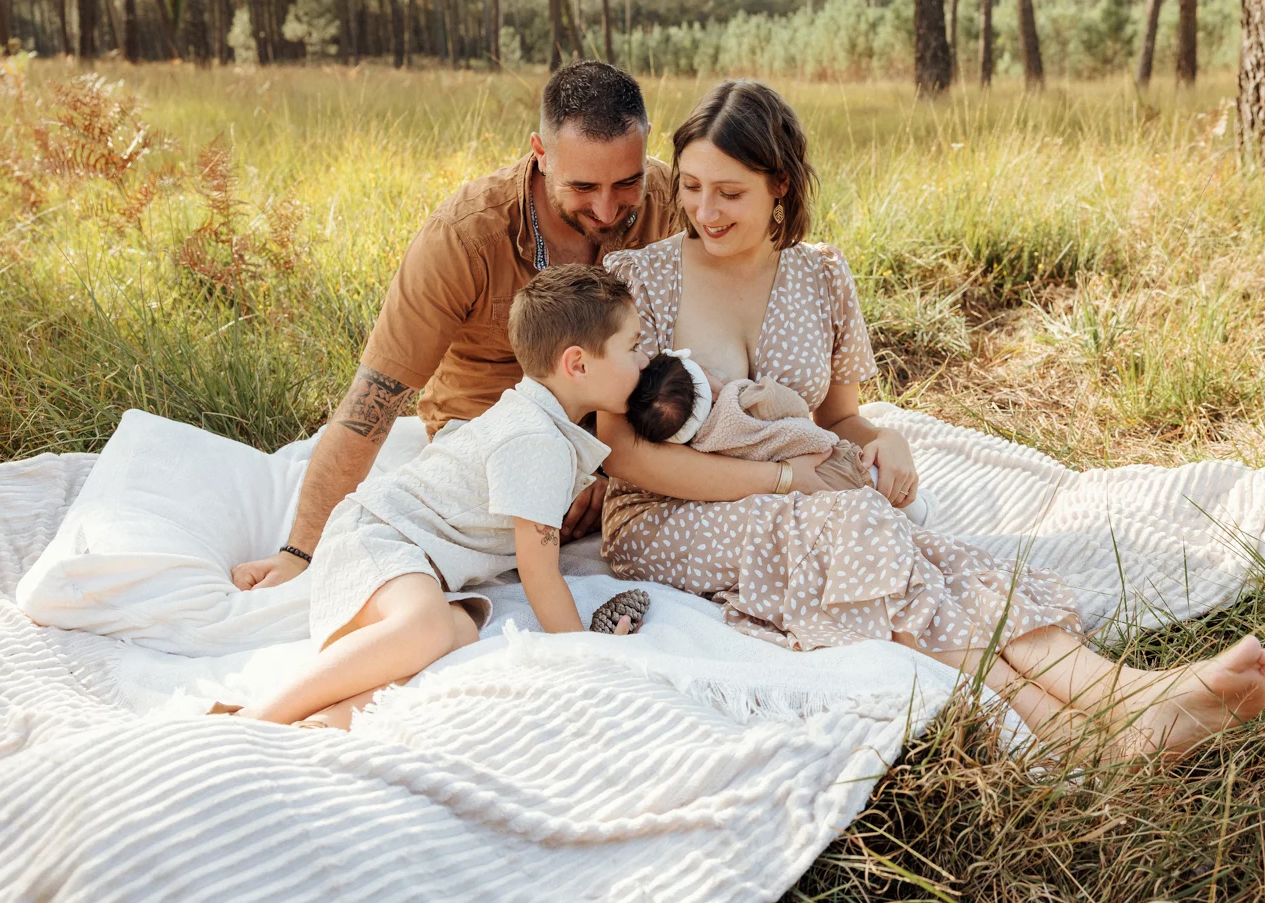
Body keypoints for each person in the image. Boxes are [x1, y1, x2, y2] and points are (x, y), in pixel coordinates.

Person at [598, 80, 1265, 761]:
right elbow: (623, 453)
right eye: (690, 186)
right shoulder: (642, 280)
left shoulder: (821, 277)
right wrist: (784, 480)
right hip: (669, 515)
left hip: (805, 501)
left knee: (943, 563)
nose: (704, 210)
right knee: (865, 533)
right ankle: (1102, 730)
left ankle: (1124, 701)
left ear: (780, 183)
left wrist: (884, 438)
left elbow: (840, 416)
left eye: (729, 192)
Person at [230, 61, 676, 593]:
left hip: (618, 440)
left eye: (627, 182)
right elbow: (372, 401)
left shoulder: (672, 197)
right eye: (582, 187)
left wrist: (609, 472)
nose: (606, 210)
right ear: (540, 153)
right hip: (490, 444)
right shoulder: (463, 237)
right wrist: (298, 551)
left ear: (647, 142)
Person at [232, 266, 648, 728]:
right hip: (378, 536)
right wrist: (588, 654)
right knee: (427, 625)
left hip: (411, 555)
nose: (643, 361)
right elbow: (539, 569)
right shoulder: (537, 441)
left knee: (460, 631)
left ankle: (333, 719)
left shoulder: (540, 421)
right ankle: (260, 715)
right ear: (578, 365)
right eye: (632, 347)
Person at [625, 349, 934, 525]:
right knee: (876, 484)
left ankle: (897, 525)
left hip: (794, 506)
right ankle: (919, 515)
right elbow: (793, 407)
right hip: (829, 461)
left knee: (858, 517)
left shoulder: (701, 445)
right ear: (711, 389)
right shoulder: (739, 399)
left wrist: (888, 436)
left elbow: (842, 416)